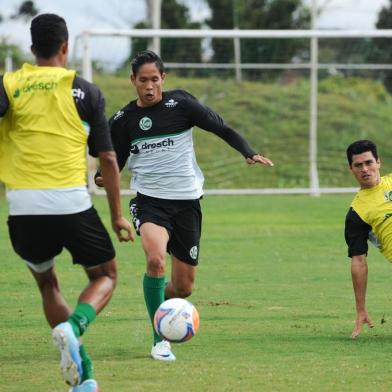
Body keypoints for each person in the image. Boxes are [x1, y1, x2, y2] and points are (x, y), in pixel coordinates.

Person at [95, 50, 274, 361]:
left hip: (187, 203)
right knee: (155, 261)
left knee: (184, 287)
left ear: (163, 78)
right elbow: (114, 162)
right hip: (150, 202)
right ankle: (159, 338)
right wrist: (101, 176)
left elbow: (222, 128)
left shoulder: (183, 105)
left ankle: (163, 310)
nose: (149, 86)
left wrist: (248, 151)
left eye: (154, 79)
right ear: (132, 81)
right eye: (142, 80)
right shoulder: (124, 121)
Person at [0, 14, 133, 392]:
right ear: (65, 47)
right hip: (71, 204)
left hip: (22, 209)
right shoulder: (86, 92)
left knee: (48, 284)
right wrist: (118, 217)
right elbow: (107, 160)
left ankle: (84, 377)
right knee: (105, 275)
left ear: (31, 49)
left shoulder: (9, 86)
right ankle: (73, 328)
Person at [344, 139, 392, 339]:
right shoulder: (357, 213)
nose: (365, 169)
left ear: (378, 162)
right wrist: (360, 308)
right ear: (351, 169)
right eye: (358, 165)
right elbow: (359, 261)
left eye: (369, 162)